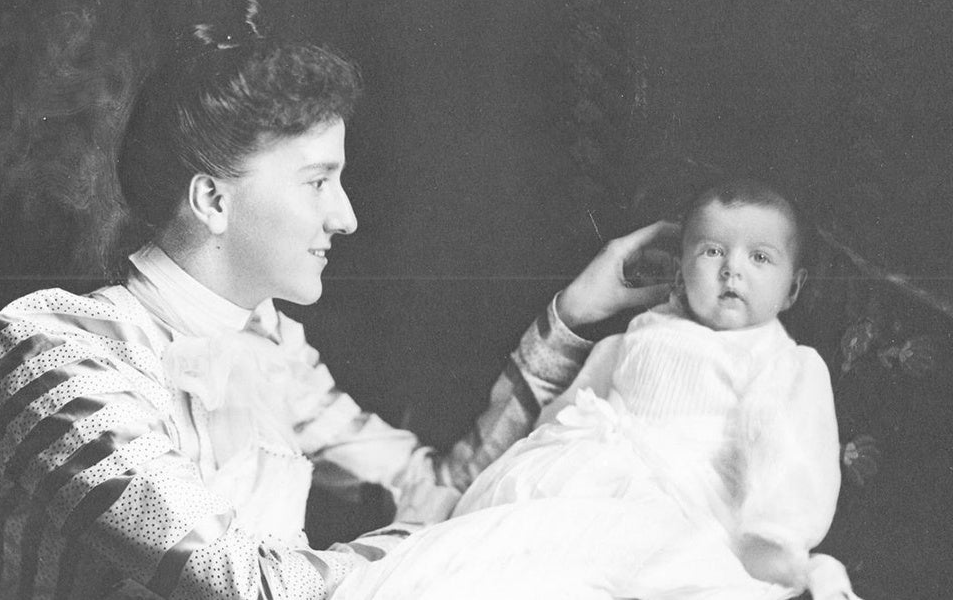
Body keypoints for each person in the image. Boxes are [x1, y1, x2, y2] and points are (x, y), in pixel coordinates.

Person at [0, 0, 674, 600]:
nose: (347, 216)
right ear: (211, 200)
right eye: (318, 181)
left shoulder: (271, 350)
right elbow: (238, 582)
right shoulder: (63, 354)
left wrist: (571, 321)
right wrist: (458, 548)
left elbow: (438, 494)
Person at [331, 179, 861, 600]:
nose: (732, 271)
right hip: (586, 469)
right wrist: (532, 457)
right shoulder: (644, 330)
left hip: (678, 496)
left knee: (631, 566)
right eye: (712, 251)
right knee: (510, 559)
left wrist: (773, 536)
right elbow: (574, 404)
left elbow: (788, 451)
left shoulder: (782, 362)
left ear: (792, 289)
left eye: (760, 258)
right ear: (679, 269)